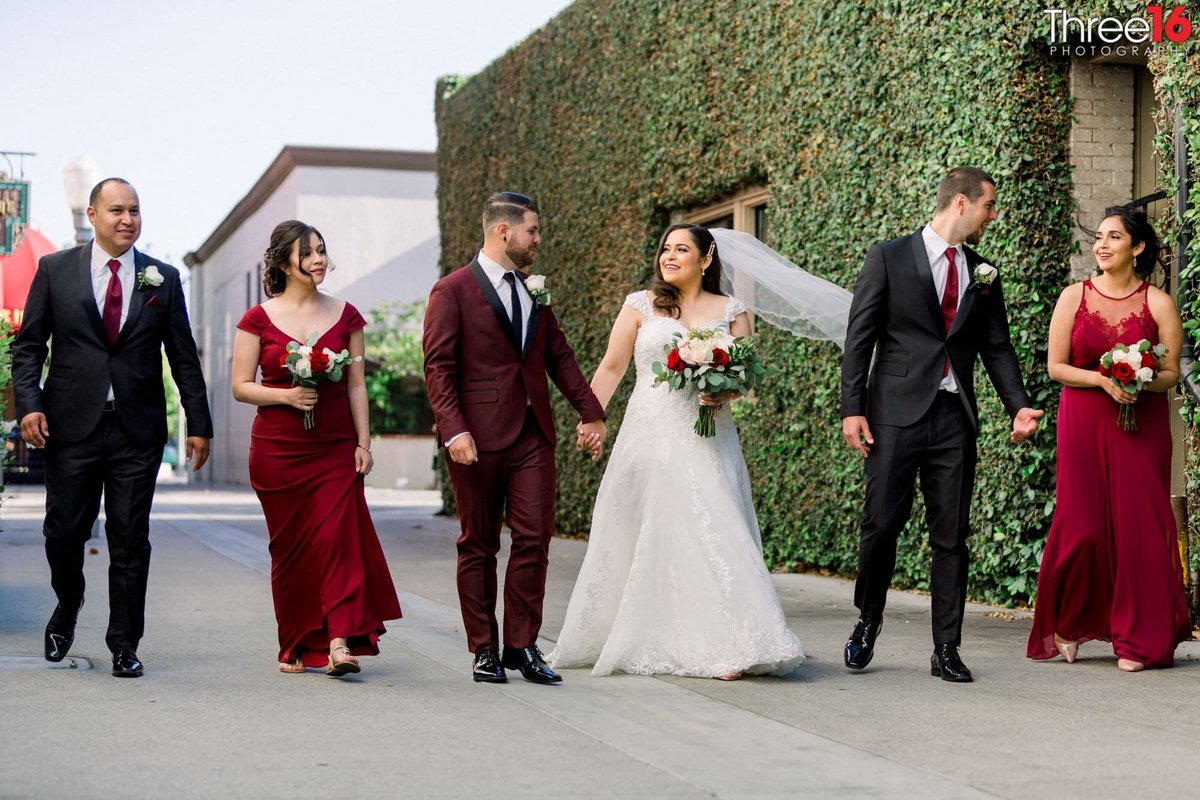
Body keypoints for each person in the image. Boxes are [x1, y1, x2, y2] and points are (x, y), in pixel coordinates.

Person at [549, 223, 805, 679]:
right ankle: (641, 631)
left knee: (714, 525)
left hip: (708, 434)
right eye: (665, 248)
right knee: (646, 529)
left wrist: (721, 393)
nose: (668, 256)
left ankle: (730, 644)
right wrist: (592, 416)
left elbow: (745, 379)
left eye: (681, 249)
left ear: (706, 259)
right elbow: (612, 366)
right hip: (647, 432)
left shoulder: (732, 310)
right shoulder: (639, 305)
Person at [839, 166, 1043, 682]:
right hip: (894, 415)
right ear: (960, 202)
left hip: (955, 418)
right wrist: (852, 408)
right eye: (988, 205)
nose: (992, 215)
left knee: (951, 535)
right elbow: (860, 338)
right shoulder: (888, 256)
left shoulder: (984, 271)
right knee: (882, 523)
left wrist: (1017, 405)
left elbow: (997, 347)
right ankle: (868, 620)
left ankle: (946, 648)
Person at [12, 177, 213, 678]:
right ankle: (69, 601)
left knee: (130, 539)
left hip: (136, 431)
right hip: (68, 427)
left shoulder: (162, 279)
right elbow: (29, 346)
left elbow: (183, 358)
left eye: (135, 211)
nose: (128, 219)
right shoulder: (56, 270)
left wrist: (199, 423)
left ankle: (124, 642)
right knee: (63, 532)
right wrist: (29, 406)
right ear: (94, 215)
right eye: (117, 210)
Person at [422, 191, 607, 685]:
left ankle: (522, 646)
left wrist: (592, 412)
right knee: (479, 543)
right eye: (533, 231)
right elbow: (438, 367)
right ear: (504, 232)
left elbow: (559, 356)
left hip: (532, 435)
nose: (538, 240)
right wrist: (453, 429)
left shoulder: (533, 289)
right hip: (475, 438)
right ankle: (484, 649)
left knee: (534, 538)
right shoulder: (452, 290)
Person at [232, 221, 402, 676]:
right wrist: (286, 395)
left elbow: (357, 384)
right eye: (308, 252)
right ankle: (294, 641)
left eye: (322, 251)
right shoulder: (256, 319)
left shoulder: (348, 315)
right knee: (290, 551)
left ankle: (338, 642)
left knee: (337, 540)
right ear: (285, 260)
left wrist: (364, 442)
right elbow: (240, 387)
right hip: (277, 450)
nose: (319, 260)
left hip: (333, 446)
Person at [1027, 207, 1192, 671]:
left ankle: (1136, 640)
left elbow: (1171, 374)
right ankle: (1070, 620)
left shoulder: (1157, 303)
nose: (1102, 245)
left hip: (1140, 427)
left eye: (1114, 237)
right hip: (1083, 419)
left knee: (1139, 526)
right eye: (1099, 237)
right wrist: (1102, 380)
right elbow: (1056, 367)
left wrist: (1141, 379)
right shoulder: (1072, 297)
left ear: (1136, 248)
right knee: (1082, 527)